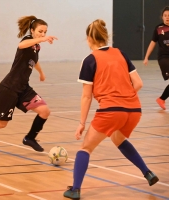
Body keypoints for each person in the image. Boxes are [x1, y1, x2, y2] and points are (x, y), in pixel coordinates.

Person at [63, 19, 159, 199]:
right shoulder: (120, 53)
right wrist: (124, 95)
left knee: (85, 148)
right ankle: (147, 173)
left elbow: (86, 96)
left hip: (111, 111)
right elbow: (138, 83)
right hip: (134, 110)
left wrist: (82, 123)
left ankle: (75, 189)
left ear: (89, 38)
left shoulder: (90, 59)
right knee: (118, 139)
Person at [0, 15, 57, 155]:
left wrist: (41, 73)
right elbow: (20, 45)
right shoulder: (27, 41)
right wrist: (42, 39)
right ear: (32, 31)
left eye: (45, 32)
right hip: (9, 89)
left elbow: (34, 61)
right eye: (40, 31)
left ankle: (30, 138)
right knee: (2, 123)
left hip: (23, 88)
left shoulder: (36, 47)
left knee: (45, 111)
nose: (43, 34)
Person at [143, 6, 169, 110]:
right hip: (164, 58)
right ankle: (161, 99)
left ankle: (161, 99)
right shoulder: (159, 28)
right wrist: (146, 57)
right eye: (165, 15)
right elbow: (153, 43)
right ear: (162, 17)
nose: (167, 17)